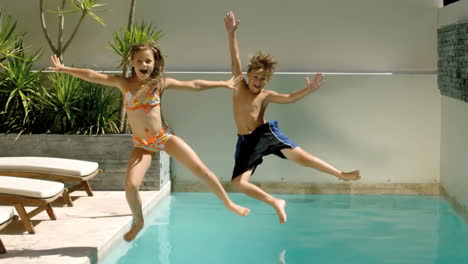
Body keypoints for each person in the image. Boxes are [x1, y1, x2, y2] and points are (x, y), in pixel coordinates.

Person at [48, 43, 250, 242]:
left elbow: (193, 85)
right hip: (141, 144)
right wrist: (64, 69)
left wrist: (223, 84)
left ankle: (228, 202)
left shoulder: (159, 84)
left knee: (201, 169)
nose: (144, 64)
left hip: (164, 137)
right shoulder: (124, 84)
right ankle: (139, 222)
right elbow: (93, 75)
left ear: (155, 63)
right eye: (139, 61)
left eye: (148, 60)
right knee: (131, 185)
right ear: (132, 63)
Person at [223, 11, 360, 224]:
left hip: (263, 135)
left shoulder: (265, 95)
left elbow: (288, 98)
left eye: (264, 79)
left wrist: (308, 90)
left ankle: (341, 174)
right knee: (238, 183)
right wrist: (231, 33)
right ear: (248, 74)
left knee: (302, 158)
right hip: (245, 141)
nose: (259, 81)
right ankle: (276, 202)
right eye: (256, 76)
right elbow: (235, 59)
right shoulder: (238, 85)